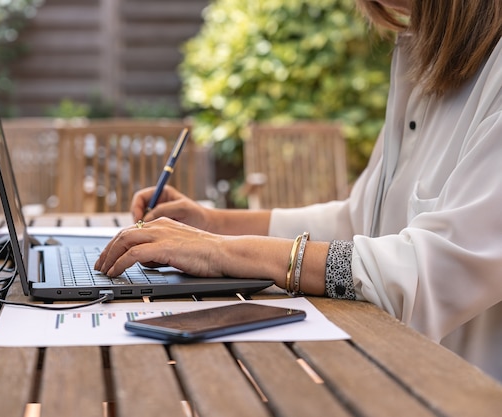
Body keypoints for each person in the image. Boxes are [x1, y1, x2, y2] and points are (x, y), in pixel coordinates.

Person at [96, 0, 502, 382]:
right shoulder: (426, 58)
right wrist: (212, 224)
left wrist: (223, 252)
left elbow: (423, 272)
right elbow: (357, 222)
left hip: (456, 390)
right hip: (386, 369)